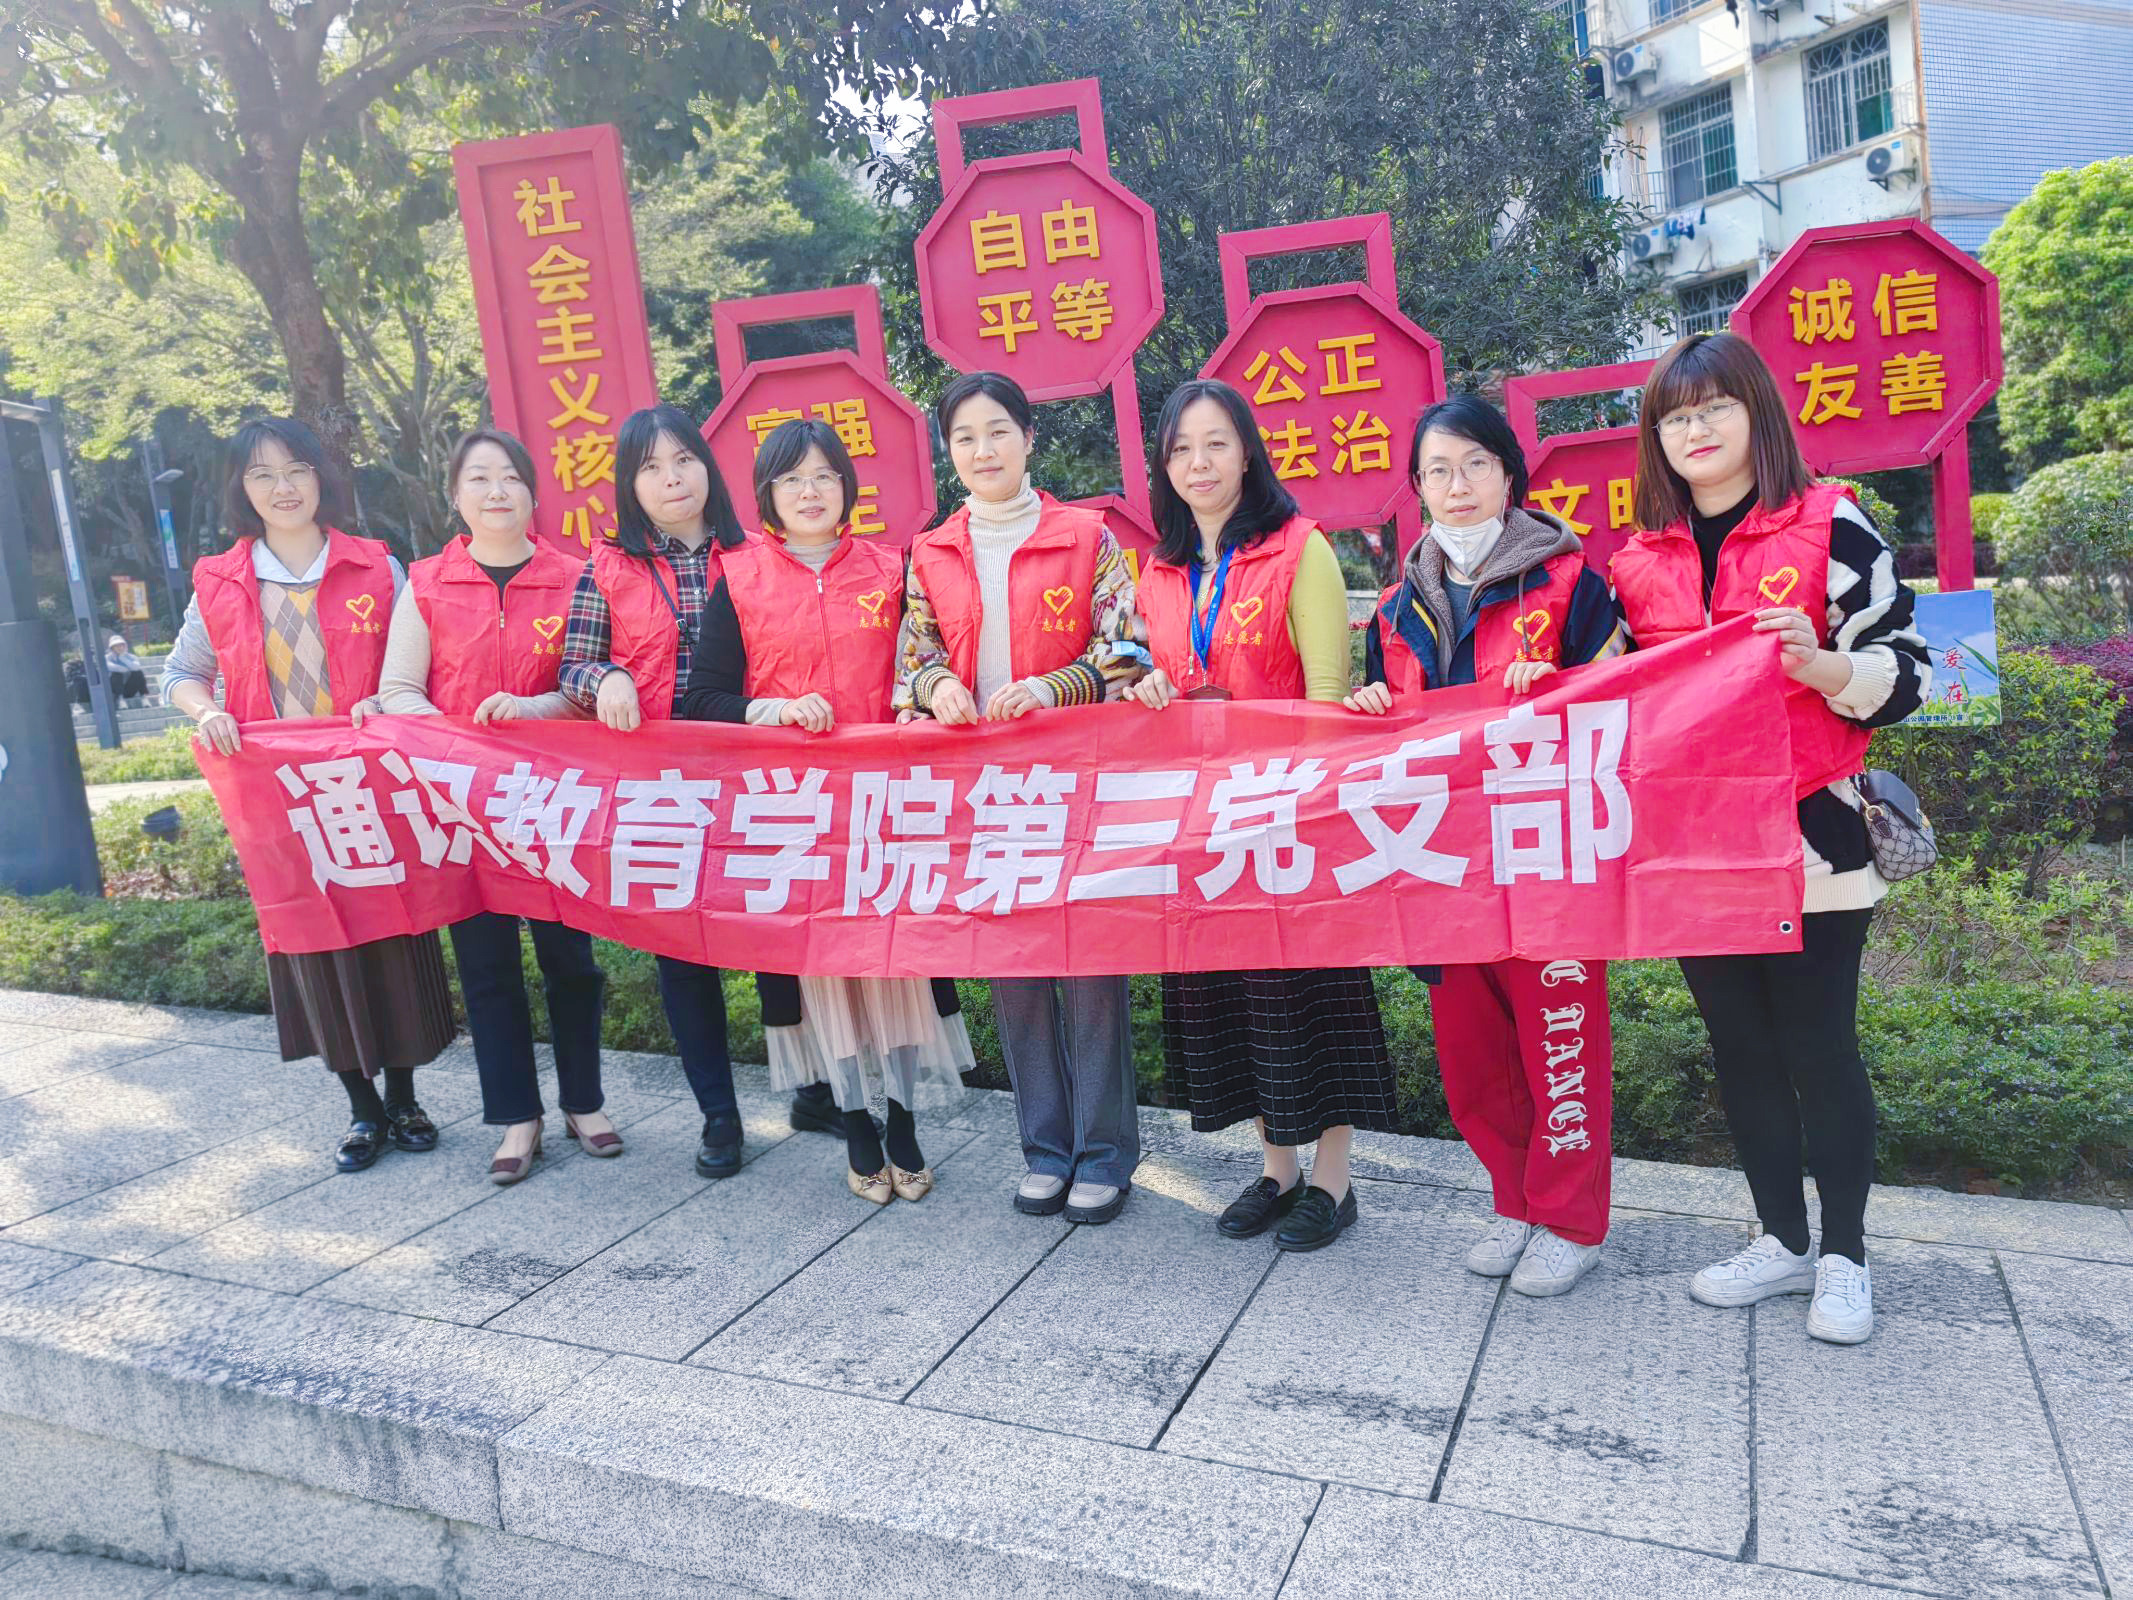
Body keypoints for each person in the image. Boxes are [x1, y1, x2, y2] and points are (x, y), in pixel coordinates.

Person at [1611, 331, 1930, 1346]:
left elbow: (1909, 670)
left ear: (1757, 414)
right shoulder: (1636, 560)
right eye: (1675, 416)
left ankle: (1845, 1257)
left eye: (1715, 407)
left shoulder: (1830, 522)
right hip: (1691, 846)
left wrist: (1819, 665)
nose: (1695, 430)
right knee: (1740, 1049)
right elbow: (1607, 695)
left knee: (1818, 1047)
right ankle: (1782, 1239)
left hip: (1813, 837)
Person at [1346, 395, 1628, 1297]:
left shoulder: (1572, 583)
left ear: (1508, 473)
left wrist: (1565, 684)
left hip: (1546, 855)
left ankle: (1571, 1221)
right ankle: (1515, 1203)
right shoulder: (1395, 610)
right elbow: (1382, 737)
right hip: (1441, 865)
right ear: (1417, 487)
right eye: (1436, 470)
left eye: (1474, 463)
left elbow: (1627, 699)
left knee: (1558, 1045)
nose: (1456, 484)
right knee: (1473, 1060)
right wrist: (1366, 710)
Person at [1125, 379, 1397, 1253]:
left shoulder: (1297, 547)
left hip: (1287, 820)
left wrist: (1304, 812)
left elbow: (1325, 691)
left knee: (1310, 996)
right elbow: (1153, 676)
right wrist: (1146, 687)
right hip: (1201, 826)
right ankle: (1276, 1171)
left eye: (1215, 443)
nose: (1198, 464)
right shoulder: (1159, 570)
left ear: (1247, 451)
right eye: (1180, 449)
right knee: (1238, 1003)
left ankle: (1333, 1182)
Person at [680, 418, 973, 1202]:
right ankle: (854, 1122)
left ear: (846, 486)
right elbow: (702, 698)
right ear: (767, 494)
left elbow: (926, 668)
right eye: (790, 479)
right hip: (794, 812)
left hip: (884, 807)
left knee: (895, 968)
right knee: (822, 975)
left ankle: (902, 1119)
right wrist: (775, 712)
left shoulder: (891, 569)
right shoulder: (740, 579)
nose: (808, 492)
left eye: (822, 476)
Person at [163, 417, 454, 1173]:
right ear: (242, 489)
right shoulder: (219, 581)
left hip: (368, 789)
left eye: (296, 469)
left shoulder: (376, 567)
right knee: (314, 940)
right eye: (262, 475)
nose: (282, 487)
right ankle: (361, 1109)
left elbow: (418, 669)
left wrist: (386, 700)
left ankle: (404, 1097)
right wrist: (209, 711)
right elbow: (182, 675)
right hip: (279, 798)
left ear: (322, 477)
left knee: (394, 932)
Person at [896, 372, 1145, 1226]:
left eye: (997, 430)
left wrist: (1051, 687)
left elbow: (1127, 652)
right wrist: (935, 686)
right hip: (987, 796)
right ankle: (1045, 1149)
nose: (983, 450)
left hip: (1079, 784)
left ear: (1029, 438)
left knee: (1092, 972)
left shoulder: (1087, 536)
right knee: (1015, 973)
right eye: (964, 437)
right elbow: (911, 660)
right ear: (949, 452)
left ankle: (1104, 1155)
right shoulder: (931, 551)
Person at [375, 428, 613, 1185]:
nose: (496, 491)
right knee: (486, 966)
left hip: (552, 802)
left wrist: (532, 709)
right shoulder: (426, 583)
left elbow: (588, 684)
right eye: (478, 478)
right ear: (456, 496)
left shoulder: (576, 576)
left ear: (533, 492)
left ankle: (584, 1102)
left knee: (571, 960)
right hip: (461, 807)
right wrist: (451, 744)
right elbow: (398, 691)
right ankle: (516, 1115)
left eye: (510, 476)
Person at [558, 405, 763, 1179]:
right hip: (662, 788)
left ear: (707, 467)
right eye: (649, 467)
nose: (670, 479)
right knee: (683, 953)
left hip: (758, 777)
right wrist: (606, 675)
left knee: (781, 937)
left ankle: (813, 1089)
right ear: (629, 484)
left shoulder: (756, 555)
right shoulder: (609, 567)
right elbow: (573, 666)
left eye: (682, 460)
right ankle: (719, 1115)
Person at [105, 636, 149, 705]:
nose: (119, 648)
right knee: (116, 674)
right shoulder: (107, 658)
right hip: (114, 690)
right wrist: (125, 668)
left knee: (138, 673)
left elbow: (136, 667)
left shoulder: (131, 657)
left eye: (121, 645)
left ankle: (143, 697)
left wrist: (122, 658)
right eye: (116, 646)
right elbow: (110, 667)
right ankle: (120, 699)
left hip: (128, 688)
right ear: (112, 648)